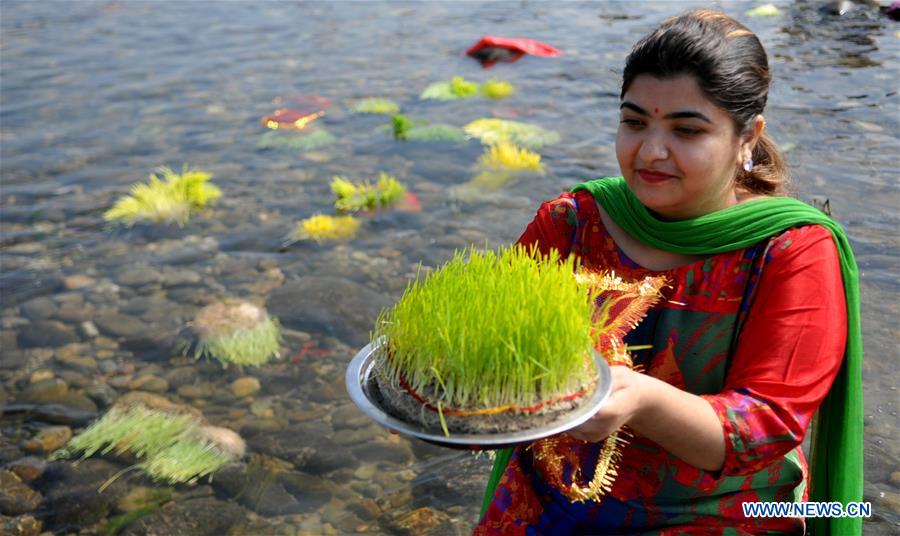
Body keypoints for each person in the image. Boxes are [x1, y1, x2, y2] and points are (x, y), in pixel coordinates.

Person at [475, 9, 863, 536]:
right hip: (550, 499)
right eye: (635, 123)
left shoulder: (790, 250)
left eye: (687, 130)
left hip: (721, 514)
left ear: (747, 138)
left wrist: (644, 401)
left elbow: (767, 425)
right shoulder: (573, 222)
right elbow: (490, 341)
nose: (651, 152)